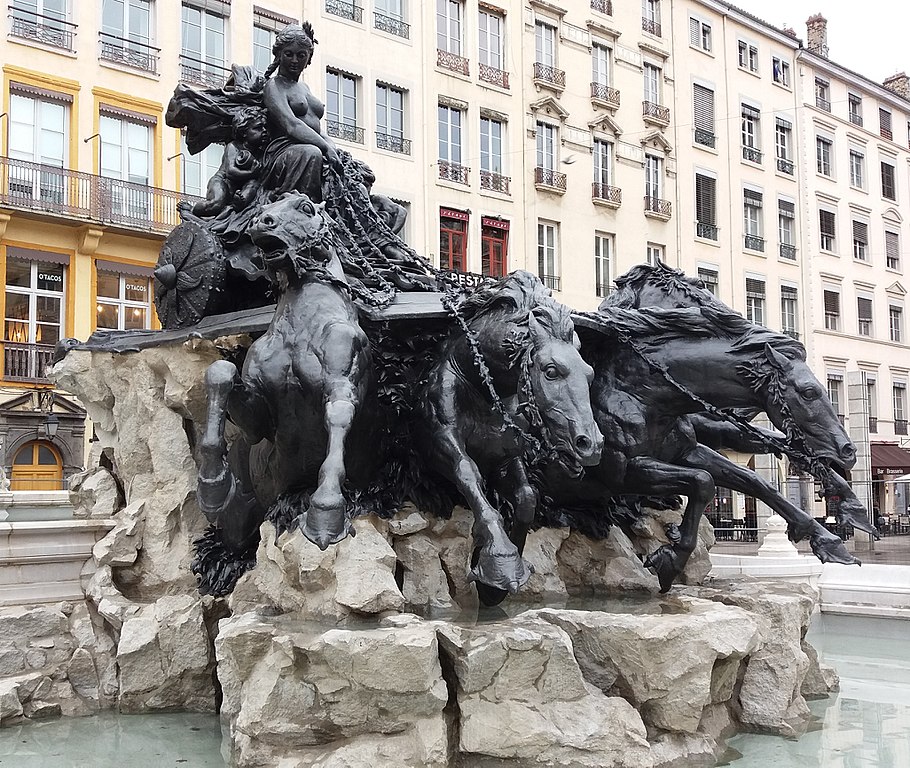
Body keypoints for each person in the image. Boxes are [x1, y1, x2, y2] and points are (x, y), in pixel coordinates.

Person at [259, 23, 340, 202]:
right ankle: (302, 207)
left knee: (357, 170)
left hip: (311, 147)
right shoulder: (274, 86)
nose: (295, 60)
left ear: (309, 58)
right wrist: (324, 147)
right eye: (289, 54)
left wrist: (331, 145)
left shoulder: (304, 87)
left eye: (301, 55)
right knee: (311, 153)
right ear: (279, 55)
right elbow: (291, 124)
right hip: (282, 152)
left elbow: (317, 129)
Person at [192, 107, 268, 218]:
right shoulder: (233, 146)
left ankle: (241, 201)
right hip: (223, 182)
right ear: (244, 132)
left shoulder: (261, 153)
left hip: (239, 188)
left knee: (253, 184)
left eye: (265, 127)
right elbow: (230, 172)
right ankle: (193, 210)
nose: (264, 130)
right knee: (216, 205)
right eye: (258, 128)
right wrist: (252, 173)